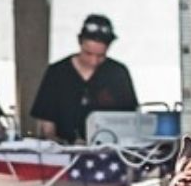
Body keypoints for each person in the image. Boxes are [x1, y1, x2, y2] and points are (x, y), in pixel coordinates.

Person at [30, 14, 138, 146]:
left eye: (100, 56)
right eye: (88, 54)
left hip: (110, 151)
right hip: (63, 151)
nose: (94, 61)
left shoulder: (118, 73)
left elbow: (131, 119)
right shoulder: (57, 72)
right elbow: (46, 121)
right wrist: (55, 142)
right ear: (80, 43)